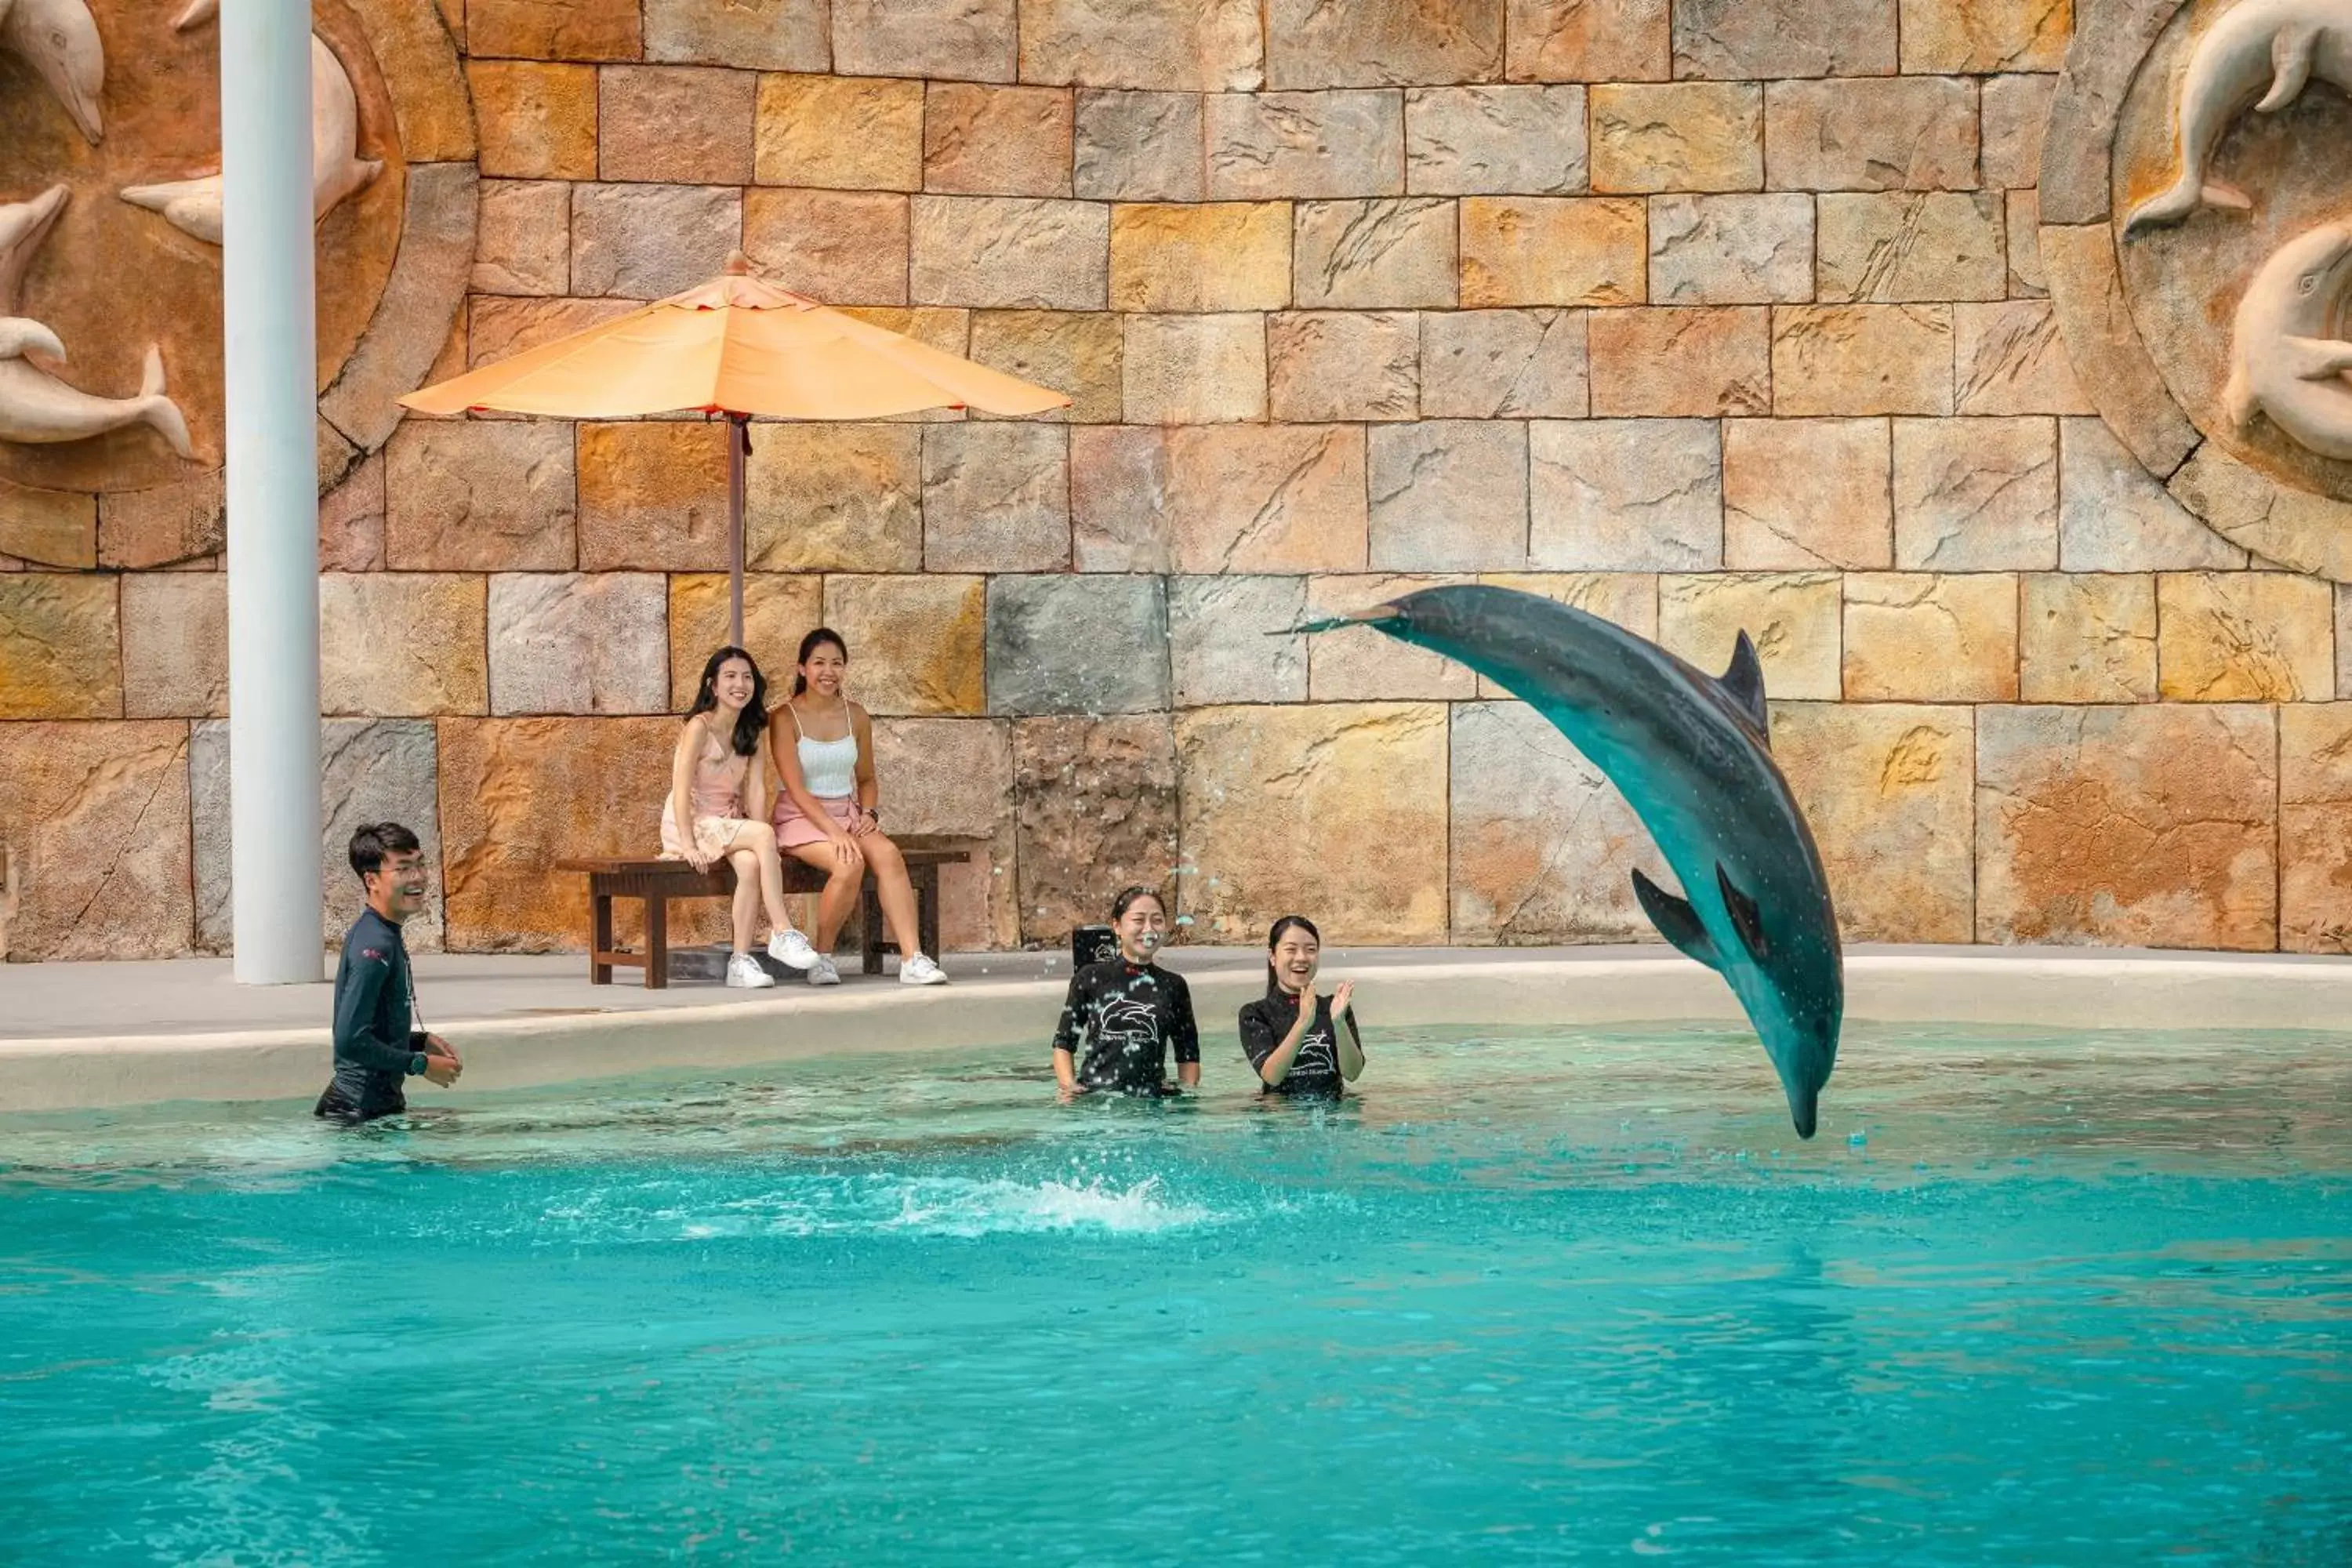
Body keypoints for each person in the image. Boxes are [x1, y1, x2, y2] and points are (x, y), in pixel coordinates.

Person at [766, 627, 947, 988]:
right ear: (802, 668)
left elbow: (866, 778)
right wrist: (835, 833)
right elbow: (798, 790)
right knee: (849, 863)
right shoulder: (784, 717)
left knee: (890, 855)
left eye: (836, 663)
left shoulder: (856, 715)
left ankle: (912, 958)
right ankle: (822, 957)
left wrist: (868, 813)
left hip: (847, 813)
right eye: (818, 663)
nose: (827, 671)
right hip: (801, 816)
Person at [664, 646, 819, 989]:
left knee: (751, 864)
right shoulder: (698, 728)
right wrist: (688, 844)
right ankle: (782, 930)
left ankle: (739, 961)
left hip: (728, 821)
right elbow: (680, 787)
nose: (741, 684)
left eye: (747, 677)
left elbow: (756, 790)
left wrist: (759, 832)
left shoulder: (753, 728)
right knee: (763, 837)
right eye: (730, 677)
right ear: (713, 686)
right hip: (690, 820)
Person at [314, 822, 462, 1123]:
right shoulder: (375, 945)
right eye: (404, 868)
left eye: (420, 864)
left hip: (373, 1111)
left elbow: (371, 1030)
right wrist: (419, 1063)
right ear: (372, 880)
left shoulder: (384, 933)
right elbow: (350, 1040)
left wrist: (418, 1040)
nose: (418, 877)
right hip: (354, 1114)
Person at [1051, 885, 1200, 1098]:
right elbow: (1063, 1043)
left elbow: (1188, 1055)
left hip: (1152, 1101)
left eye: (1157, 920)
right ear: (1117, 926)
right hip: (1097, 1099)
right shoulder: (1090, 977)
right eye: (1139, 920)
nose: (1148, 929)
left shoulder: (1173, 985)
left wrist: (1186, 1100)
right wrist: (1069, 1088)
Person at [1238, 914, 1365, 1098]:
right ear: (1272, 956)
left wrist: (1339, 1023)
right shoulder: (1255, 1013)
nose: (1302, 957)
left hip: (1331, 1118)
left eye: (1311, 949)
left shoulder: (1334, 1007)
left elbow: (1352, 1074)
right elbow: (1272, 1077)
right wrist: (1303, 1022)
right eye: (1291, 949)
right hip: (1282, 1120)